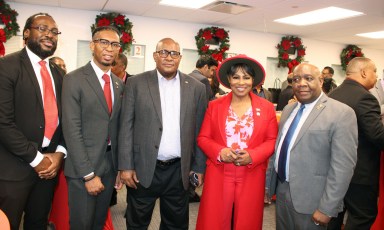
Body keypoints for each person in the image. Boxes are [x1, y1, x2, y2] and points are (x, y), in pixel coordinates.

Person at [118, 37, 207, 229]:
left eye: (174, 53)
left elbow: (200, 130)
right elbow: (126, 126)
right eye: (163, 52)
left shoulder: (196, 88)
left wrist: (199, 167)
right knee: (136, 223)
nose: (168, 57)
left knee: (175, 224)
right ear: (155, 56)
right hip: (142, 168)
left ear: (180, 58)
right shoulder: (136, 83)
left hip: (179, 171)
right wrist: (125, 165)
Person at [270, 63, 358, 229]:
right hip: (282, 193)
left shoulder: (341, 113)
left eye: (308, 78)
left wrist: (327, 208)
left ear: (321, 81)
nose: (302, 83)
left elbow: (343, 167)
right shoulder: (289, 109)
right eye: (296, 79)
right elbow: (281, 149)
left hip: (313, 201)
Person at [196, 54, 278, 230]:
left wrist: (253, 155)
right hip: (219, 172)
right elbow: (203, 138)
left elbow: (272, 140)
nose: (241, 82)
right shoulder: (215, 105)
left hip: (251, 173)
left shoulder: (267, 108)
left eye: (246, 77)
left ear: (253, 80)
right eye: (236, 77)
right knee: (214, 220)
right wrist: (220, 152)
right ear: (228, 79)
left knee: (247, 221)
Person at [0, 13, 65, 230]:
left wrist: (59, 153)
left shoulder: (59, 73)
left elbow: (66, 120)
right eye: (42, 28)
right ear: (26, 33)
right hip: (14, 168)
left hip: (49, 167)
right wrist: (37, 159)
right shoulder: (6, 66)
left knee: (38, 222)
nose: (49, 34)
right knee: (7, 224)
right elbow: (3, 123)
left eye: (54, 31)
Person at [62, 25, 124, 229]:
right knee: (82, 224)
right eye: (103, 42)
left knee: (98, 223)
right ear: (92, 45)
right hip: (84, 168)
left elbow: (117, 128)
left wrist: (118, 168)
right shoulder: (74, 79)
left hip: (109, 164)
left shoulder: (118, 83)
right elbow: (72, 130)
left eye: (114, 44)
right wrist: (88, 175)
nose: (109, 48)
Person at [327, 57, 384, 230]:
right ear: (364, 72)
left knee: (334, 215)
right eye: (374, 71)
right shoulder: (365, 98)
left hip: (334, 168)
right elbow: (378, 136)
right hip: (359, 172)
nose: (376, 76)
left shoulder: (333, 94)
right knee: (362, 216)